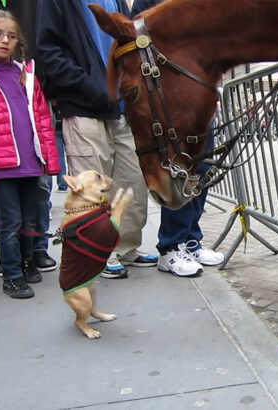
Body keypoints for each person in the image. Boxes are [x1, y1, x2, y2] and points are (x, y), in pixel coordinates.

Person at [36, 0, 158, 280]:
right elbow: (49, 51)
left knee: (132, 182)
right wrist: (90, 87)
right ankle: (98, 255)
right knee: (92, 186)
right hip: (83, 105)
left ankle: (126, 247)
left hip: (123, 106)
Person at [0, 10, 61, 299]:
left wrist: (49, 160)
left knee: (31, 220)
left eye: (12, 36)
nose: (5, 41)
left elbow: (43, 118)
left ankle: (28, 262)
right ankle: (12, 274)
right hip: (1, 166)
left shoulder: (25, 73)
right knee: (9, 223)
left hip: (30, 162)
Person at [130, 0, 225, 276]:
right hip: (170, 96)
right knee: (180, 172)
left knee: (202, 171)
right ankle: (171, 247)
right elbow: (137, 40)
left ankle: (191, 239)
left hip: (199, 95)